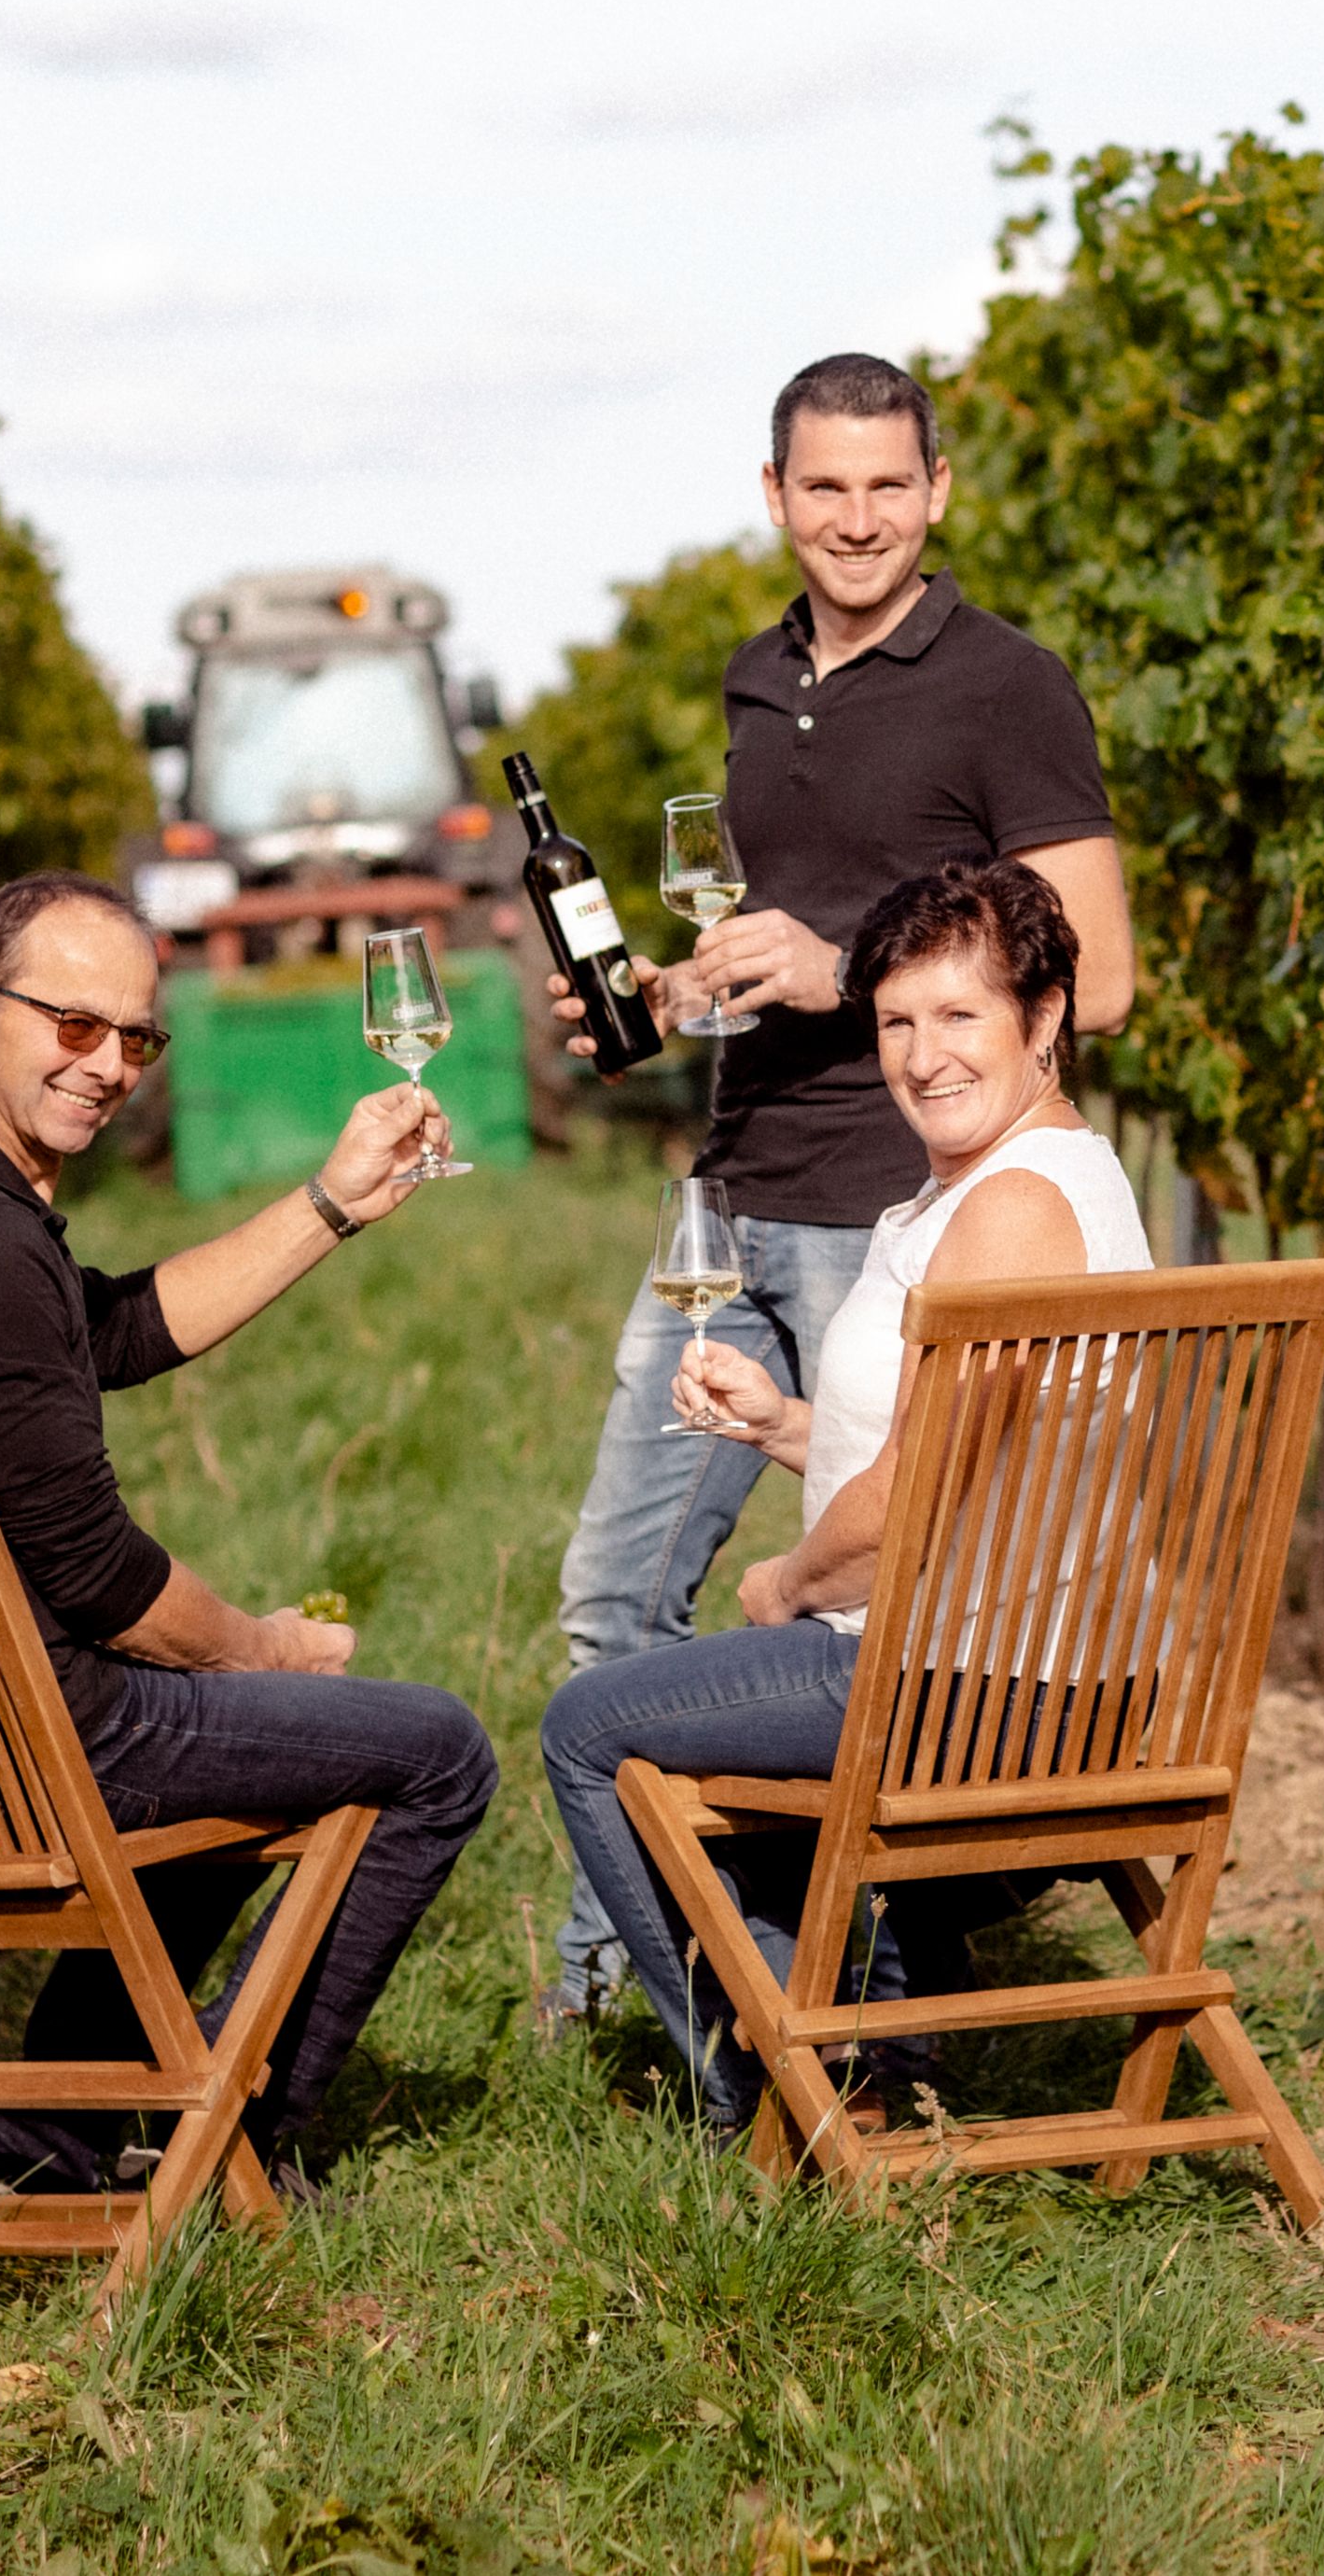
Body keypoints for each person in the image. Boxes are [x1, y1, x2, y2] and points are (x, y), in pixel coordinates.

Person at [537, 352, 1138, 2026]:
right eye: (826, 487)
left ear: (937, 492)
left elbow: (1107, 971)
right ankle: (624, 1977)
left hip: (905, 1217)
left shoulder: (1010, 684)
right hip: (737, 1196)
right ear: (776, 497)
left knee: (843, 1596)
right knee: (615, 1594)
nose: (858, 517)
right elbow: (787, 936)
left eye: (890, 485)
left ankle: (805, 1993)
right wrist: (680, 990)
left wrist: (840, 966)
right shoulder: (754, 679)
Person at [0, 870, 497, 2194]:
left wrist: (331, 1203)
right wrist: (262, 1650)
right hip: (28, 1744)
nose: (109, 1062)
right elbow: (97, 1573)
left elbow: (109, 1326)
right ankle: (229, 2122)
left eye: (136, 1037)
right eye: (72, 1023)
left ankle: (41, 2145)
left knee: (236, 1743)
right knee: (439, 1753)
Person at [540, 858, 1142, 2132]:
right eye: (897, 1021)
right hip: (1011, 1665)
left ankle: (767, 2091)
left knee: (591, 1727)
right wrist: (786, 1426)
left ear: (1044, 1021)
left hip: (978, 1693)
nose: (923, 1056)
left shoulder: (1014, 1210)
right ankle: (850, 2059)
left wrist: (789, 1583)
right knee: (717, 1717)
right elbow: (981, 1471)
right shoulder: (1008, 1184)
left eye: (959, 1016)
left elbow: (922, 1493)